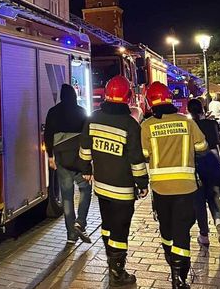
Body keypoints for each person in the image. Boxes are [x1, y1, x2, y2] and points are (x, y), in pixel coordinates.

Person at [78, 75, 148, 287]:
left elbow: (84, 149)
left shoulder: (93, 118)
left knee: (108, 225)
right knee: (120, 229)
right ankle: (118, 273)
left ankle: (111, 261)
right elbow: (136, 159)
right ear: (127, 97)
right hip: (122, 189)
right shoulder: (130, 124)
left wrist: (85, 170)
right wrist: (143, 183)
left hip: (101, 186)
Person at [141, 82, 208, 289]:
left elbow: (143, 155)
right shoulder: (186, 122)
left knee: (167, 231)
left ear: (150, 102)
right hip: (186, 188)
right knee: (182, 232)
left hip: (160, 189)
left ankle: (173, 267)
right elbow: (203, 147)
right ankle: (180, 276)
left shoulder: (146, 125)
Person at [44, 84, 92, 244]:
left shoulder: (53, 112)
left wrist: (50, 156)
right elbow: (87, 136)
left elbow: (48, 136)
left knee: (66, 197)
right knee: (85, 189)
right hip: (78, 158)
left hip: (61, 158)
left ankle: (71, 234)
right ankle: (81, 221)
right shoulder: (81, 111)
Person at [187, 99, 220, 247]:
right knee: (213, 196)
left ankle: (204, 235)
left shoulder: (189, 126)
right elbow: (218, 143)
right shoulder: (212, 124)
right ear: (202, 108)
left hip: (196, 166)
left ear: (189, 111)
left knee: (199, 201)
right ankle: (219, 221)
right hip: (213, 163)